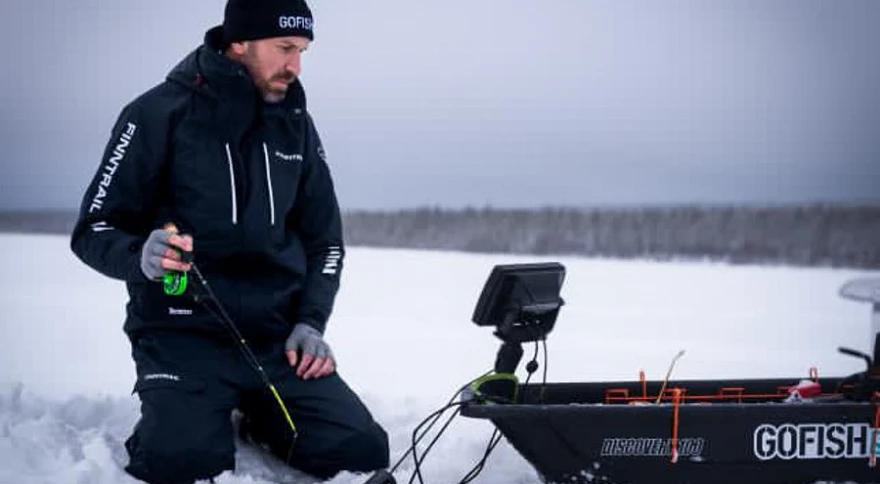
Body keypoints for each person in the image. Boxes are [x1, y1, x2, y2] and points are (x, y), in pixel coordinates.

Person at [69, 1, 389, 482]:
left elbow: (326, 242)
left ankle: (259, 416)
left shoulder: (295, 124)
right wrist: (143, 256)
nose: (295, 66)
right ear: (239, 43)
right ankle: (181, 417)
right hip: (181, 335)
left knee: (360, 451)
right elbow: (93, 229)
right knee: (181, 459)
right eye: (285, 48)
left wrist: (310, 323)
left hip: (275, 342)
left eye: (302, 51)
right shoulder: (156, 113)